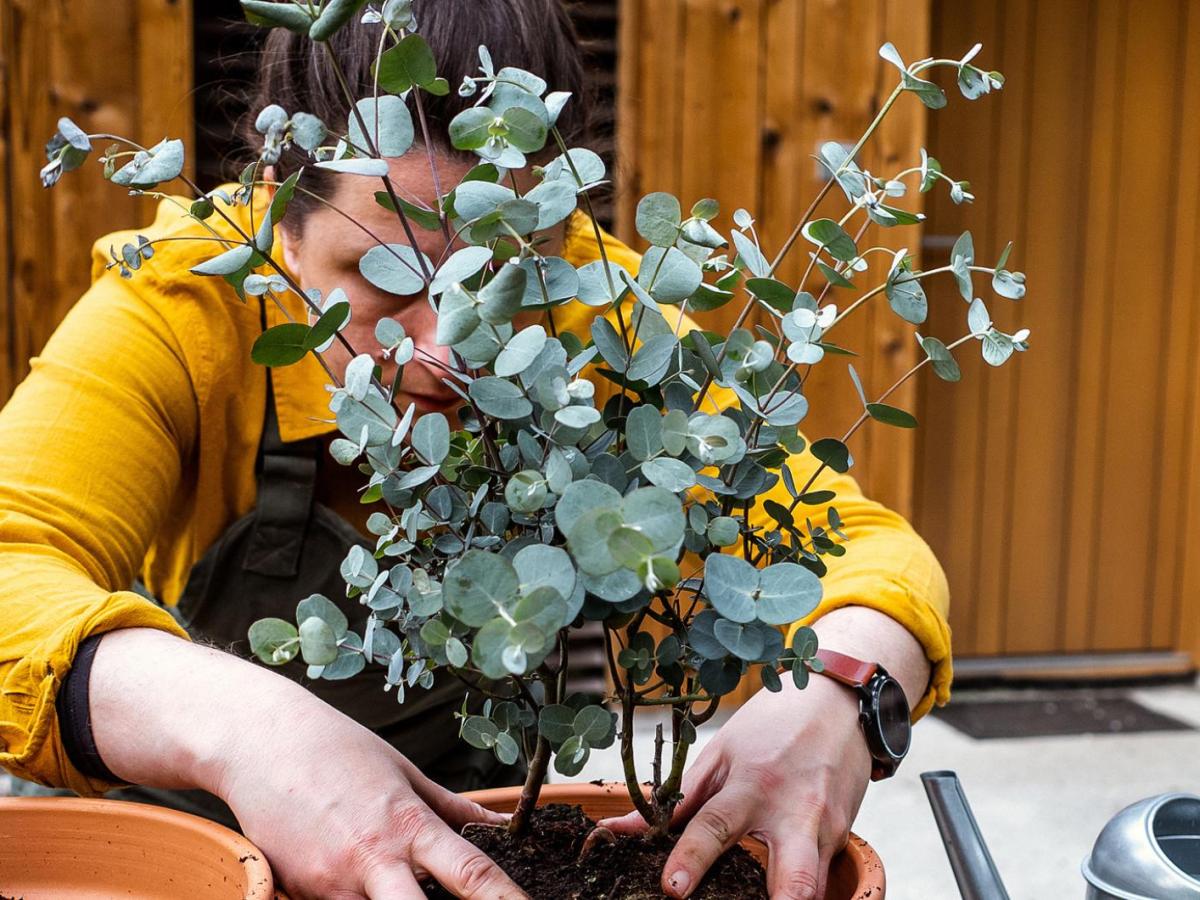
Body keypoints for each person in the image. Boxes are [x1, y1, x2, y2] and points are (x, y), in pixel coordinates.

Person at [0, 2, 952, 898]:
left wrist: (841, 694)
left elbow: (865, 551)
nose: (447, 354)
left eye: (498, 283)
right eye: (385, 279)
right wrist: (249, 730)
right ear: (279, 227)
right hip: (181, 841)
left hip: (472, 835)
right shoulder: (185, 303)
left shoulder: (604, 317)